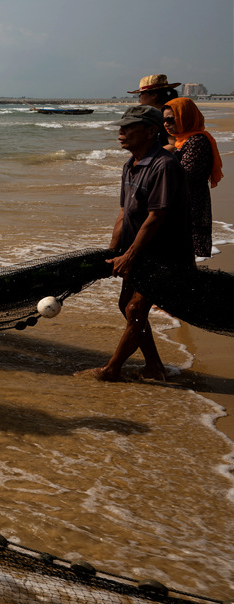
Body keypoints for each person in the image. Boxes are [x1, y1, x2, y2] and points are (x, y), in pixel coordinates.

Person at [76, 105, 192, 382]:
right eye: (121, 127)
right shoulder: (131, 165)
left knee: (134, 308)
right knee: (126, 305)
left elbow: (156, 217)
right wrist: (113, 252)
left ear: (152, 131)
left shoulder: (164, 166)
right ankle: (154, 366)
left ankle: (111, 370)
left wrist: (129, 256)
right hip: (142, 252)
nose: (121, 132)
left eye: (129, 127)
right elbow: (123, 213)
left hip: (166, 253)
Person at [163, 97, 224, 258]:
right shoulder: (182, 140)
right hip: (185, 202)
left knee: (185, 252)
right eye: (164, 120)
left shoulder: (197, 141)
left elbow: (185, 175)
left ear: (185, 117)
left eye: (171, 119)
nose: (166, 124)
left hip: (191, 205)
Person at [128, 74, 181, 148]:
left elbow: (173, 145)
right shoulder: (155, 114)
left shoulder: (167, 116)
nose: (139, 96)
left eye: (142, 93)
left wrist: (148, 157)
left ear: (153, 95)